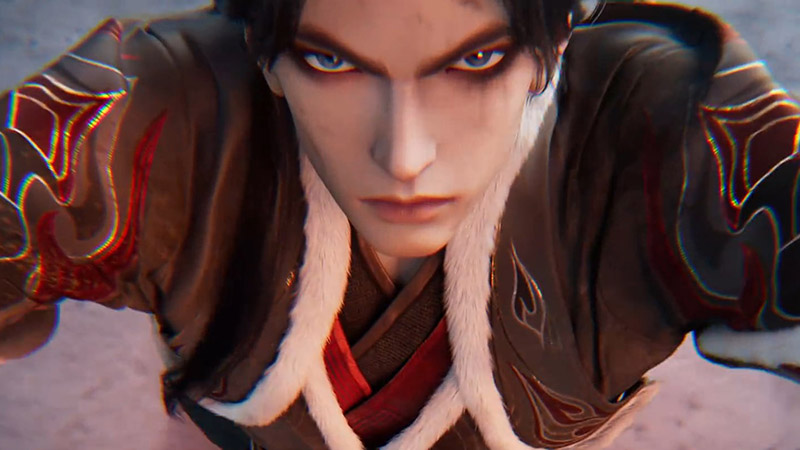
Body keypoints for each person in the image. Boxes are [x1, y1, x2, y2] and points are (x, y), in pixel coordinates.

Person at [0, 0, 798, 448]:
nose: (405, 154)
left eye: (477, 60)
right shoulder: (168, 106)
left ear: (555, 40)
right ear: (265, 54)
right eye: (331, 61)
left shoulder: (654, 121)